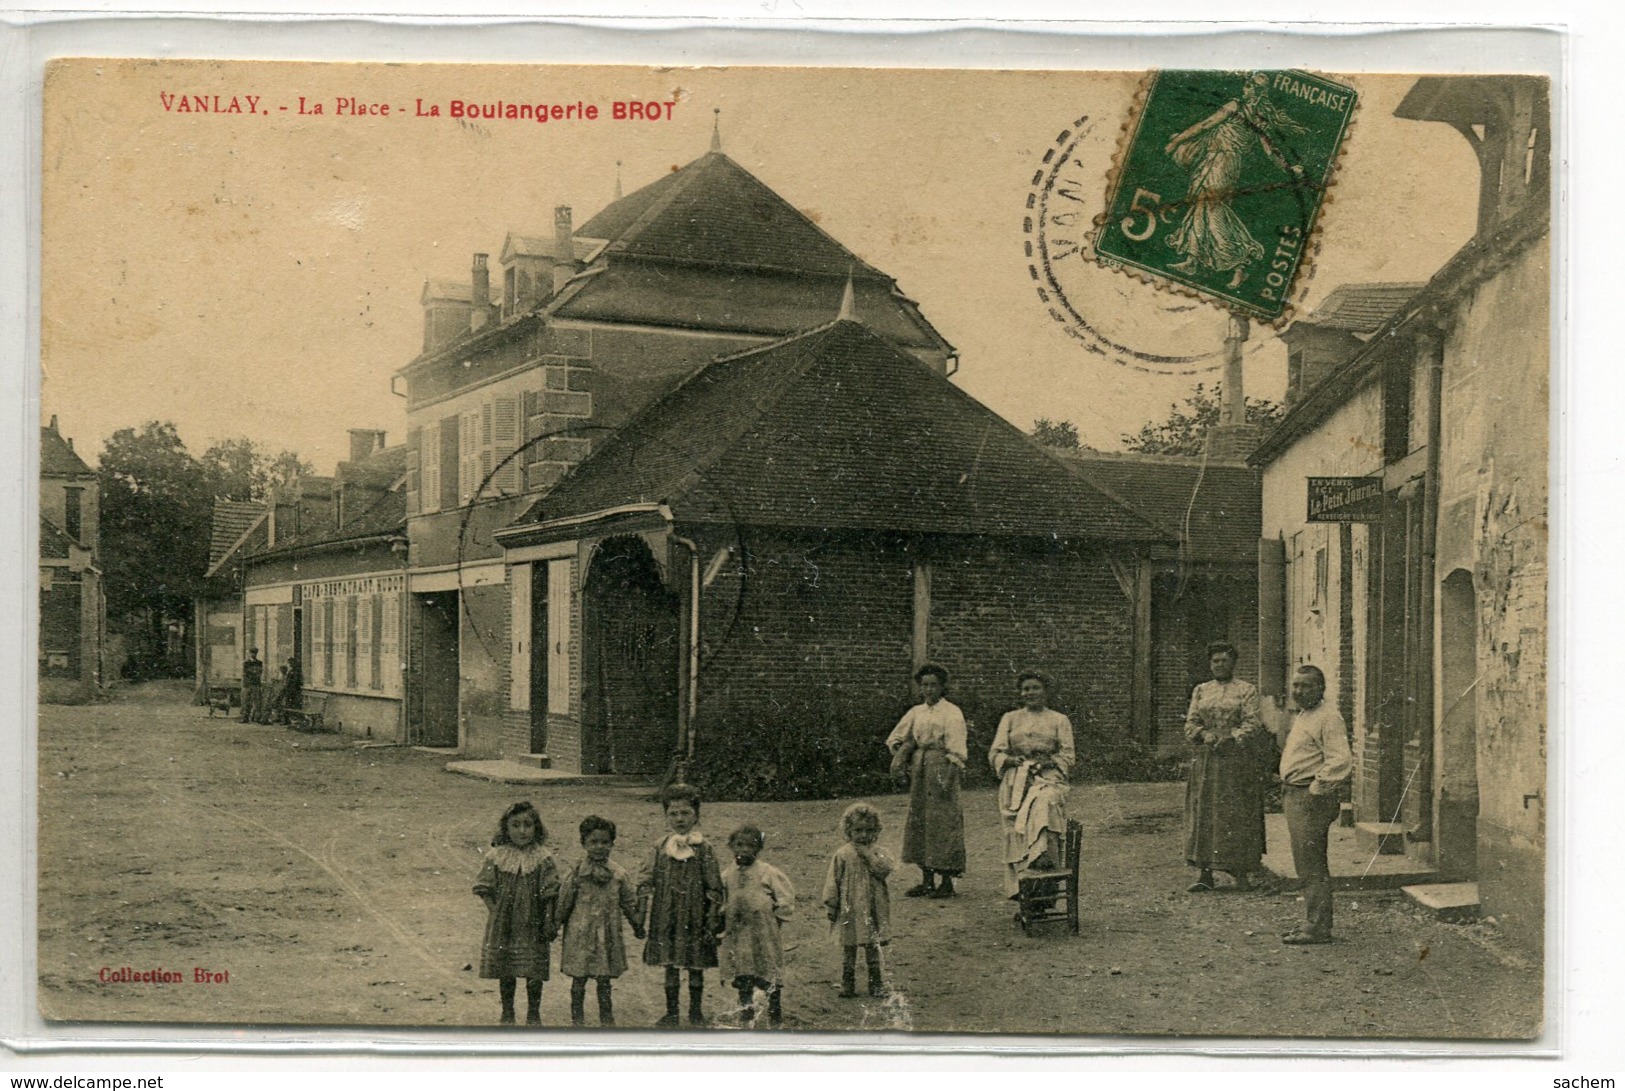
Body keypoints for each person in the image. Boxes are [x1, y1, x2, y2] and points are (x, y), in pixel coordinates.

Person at [1162, 72, 1309, 289]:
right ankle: (1193, 261)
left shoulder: (1237, 107)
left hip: (1222, 163)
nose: (1244, 89)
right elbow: (1271, 152)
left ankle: (1240, 263)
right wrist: (1290, 168)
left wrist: (1176, 143)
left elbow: (1205, 125)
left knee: (1214, 212)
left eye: (1248, 87)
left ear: (1255, 92)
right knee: (1200, 209)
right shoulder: (1258, 118)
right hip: (1216, 161)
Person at [1183, 641, 1270, 893]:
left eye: (1224, 660)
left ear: (1233, 662)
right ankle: (1205, 874)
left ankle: (1241, 875)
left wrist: (1232, 736)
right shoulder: (1201, 690)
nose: (1219, 665)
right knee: (1205, 813)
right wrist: (1204, 734)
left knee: (1237, 813)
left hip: (1236, 761)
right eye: (1215, 661)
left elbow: (1253, 723)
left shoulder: (1246, 690)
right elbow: (1190, 723)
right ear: (1210, 664)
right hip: (1207, 760)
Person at [638, 782, 724, 1027]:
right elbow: (646, 877)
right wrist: (641, 908)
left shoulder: (704, 848)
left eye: (685, 813)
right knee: (670, 964)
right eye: (673, 814)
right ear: (666, 816)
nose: (679, 819)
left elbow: (714, 884)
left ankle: (695, 1012)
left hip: (695, 914)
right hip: (666, 913)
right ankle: (672, 1012)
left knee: (695, 964)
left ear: (696, 815)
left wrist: (712, 915)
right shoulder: (660, 846)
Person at [1278, 665, 1353, 945]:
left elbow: (1341, 760)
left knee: (1311, 864)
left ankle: (1317, 927)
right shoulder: (1305, 715)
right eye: (1296, 686)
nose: (1299, 691)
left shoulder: (1329, 717)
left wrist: (1315, 790)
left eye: (1306, 686)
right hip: (1295, 794)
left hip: (1309, 798)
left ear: (1321, 688)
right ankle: (1312, 921)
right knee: (1305, 863)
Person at [989, 671, 1077, 898]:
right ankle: (1024, 897)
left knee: (1044, 815)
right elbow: (996, 752)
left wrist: (1046, 762)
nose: (1030, 693)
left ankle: (1045, 890)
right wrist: (1010, 760)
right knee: (1017, 834)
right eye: (1026, 689)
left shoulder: (1059, 720)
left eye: (1035, 688)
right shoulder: (1010, 718)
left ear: (1046, 691)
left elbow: (1068, 756)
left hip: (1048, 779)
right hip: (1015, 783)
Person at [885, 663, 968, 899]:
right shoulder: (916, 712)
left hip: (942, 765)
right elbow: (897, 737)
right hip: (920, 768)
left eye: (933, 685)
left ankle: (947, 883)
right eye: (924, 685)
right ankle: (927, 879)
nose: (929, 690)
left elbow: (957, 749)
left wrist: (949, 777)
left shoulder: (951, 712)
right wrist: (904, 752)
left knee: (943, 821)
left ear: (942, 687)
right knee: (921, 821)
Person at [473, 801, 560, 1025]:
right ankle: (508, 1011)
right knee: (507, 968)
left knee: (534, 971)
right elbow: (484, 888)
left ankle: (533, 1012)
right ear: (506, 828)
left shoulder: (542, 857)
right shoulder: (497, 856)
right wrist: (496, 913)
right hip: (505, 923)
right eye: (515, 825)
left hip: (534, 921)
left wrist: (549, 921)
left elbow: (551, 892)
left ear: (536, 828)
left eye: (528, 825)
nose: (522, 831)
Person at [557, 814, 643, 1027]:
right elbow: (564, 902)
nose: (599, 847)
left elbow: (629, 902)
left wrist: (637, 924)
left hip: (607, 934)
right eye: (593, 842)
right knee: (579, 977)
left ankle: (607, 1018)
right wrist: (554, 925)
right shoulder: (577, 873)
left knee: (603, 979)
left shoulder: (618, 874)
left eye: (604, 842)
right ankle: (577, 1019)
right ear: (583, 843)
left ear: (612, 843)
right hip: (581, 934)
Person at [718, 824, 795, 1028]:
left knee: (768, 969)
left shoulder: (767, 872)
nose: (744, 850)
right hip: (739, 932)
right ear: (731, 846)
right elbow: (721, 899)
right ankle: (746, 1011)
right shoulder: (727, 875)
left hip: (763, 931)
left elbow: (785, 897)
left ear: (758, 848)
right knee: (743, 970)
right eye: (739, 845)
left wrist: (777, 919)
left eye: (750, 846)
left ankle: (774, 1012)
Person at [821, 802, 895, 999]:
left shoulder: (879, 852)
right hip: (850, 908)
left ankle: (876, 982)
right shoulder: (843, 853)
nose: (863, 835)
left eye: (868, 831)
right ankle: (848, 982)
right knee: (849, 945)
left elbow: (886, 869)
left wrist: (870, 856)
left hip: (872, 907)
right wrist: (831, 903)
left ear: (876, 831)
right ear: (849, 830)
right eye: (858, 830)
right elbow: (833, 880)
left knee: (872, 944)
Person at [240, 647, 264, 724]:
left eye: (255, 653)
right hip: (247, 685)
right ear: (249, 653)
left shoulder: (260, 662)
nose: (253, 654)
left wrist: (253, 672)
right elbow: (246, 673)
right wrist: (254, 672)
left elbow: (259, 672)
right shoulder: (246, 663)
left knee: (257, 702)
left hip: (256, 684)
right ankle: (245, 718)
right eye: (252, 652)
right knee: (246, 701)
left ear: (257, 653)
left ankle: (257, 718)